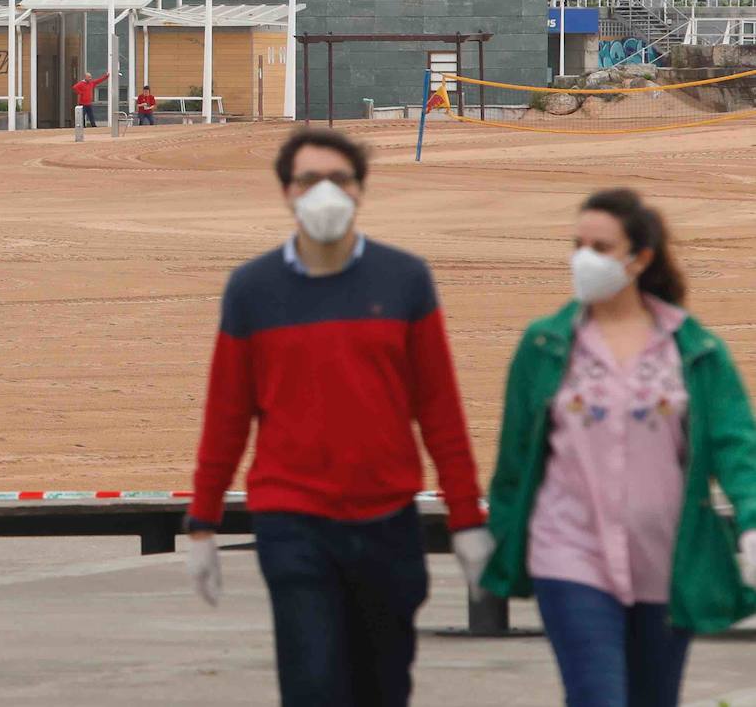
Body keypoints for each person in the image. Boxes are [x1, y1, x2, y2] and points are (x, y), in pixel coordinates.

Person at [185, 128, 493, 707]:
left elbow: (439, 408)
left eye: (339, 179)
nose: (324, 192)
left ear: (360, 191)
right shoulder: (252, 290)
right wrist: (202, 521)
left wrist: (466, 519)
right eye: (309, 180)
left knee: (384, 686)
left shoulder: (404, 279)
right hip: (292, 520)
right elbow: (227, 412)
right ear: (286, 192)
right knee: (313, 683)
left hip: (387, 519)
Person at [481, 188, 756, 707]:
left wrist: (752, 521)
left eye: (601, 247)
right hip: (569, 555)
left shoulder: (693, 349)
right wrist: (495, 538)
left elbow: (736, 443)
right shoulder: (544, 346)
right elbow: (514, 462)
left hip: (667, 562)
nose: (583, 258)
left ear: (640, 258)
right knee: (596, 696)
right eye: (577, 243)